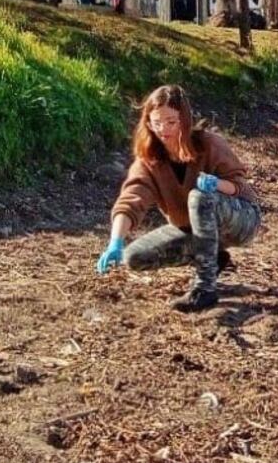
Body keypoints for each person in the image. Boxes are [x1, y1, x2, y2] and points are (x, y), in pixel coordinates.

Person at [96, 85, 261, 312]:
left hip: (241, 219)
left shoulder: (210, 144)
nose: (164, 130)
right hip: (194, 229)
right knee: (134, 257)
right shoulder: (149, 160)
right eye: (157, 123)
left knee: (199, 197)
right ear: (148, 123)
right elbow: (131, 199)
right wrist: (115, 241)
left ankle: (205, 288)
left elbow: (241, 189)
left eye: (171, 122)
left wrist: (216, 185)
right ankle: (214, 258)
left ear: (184, 119)